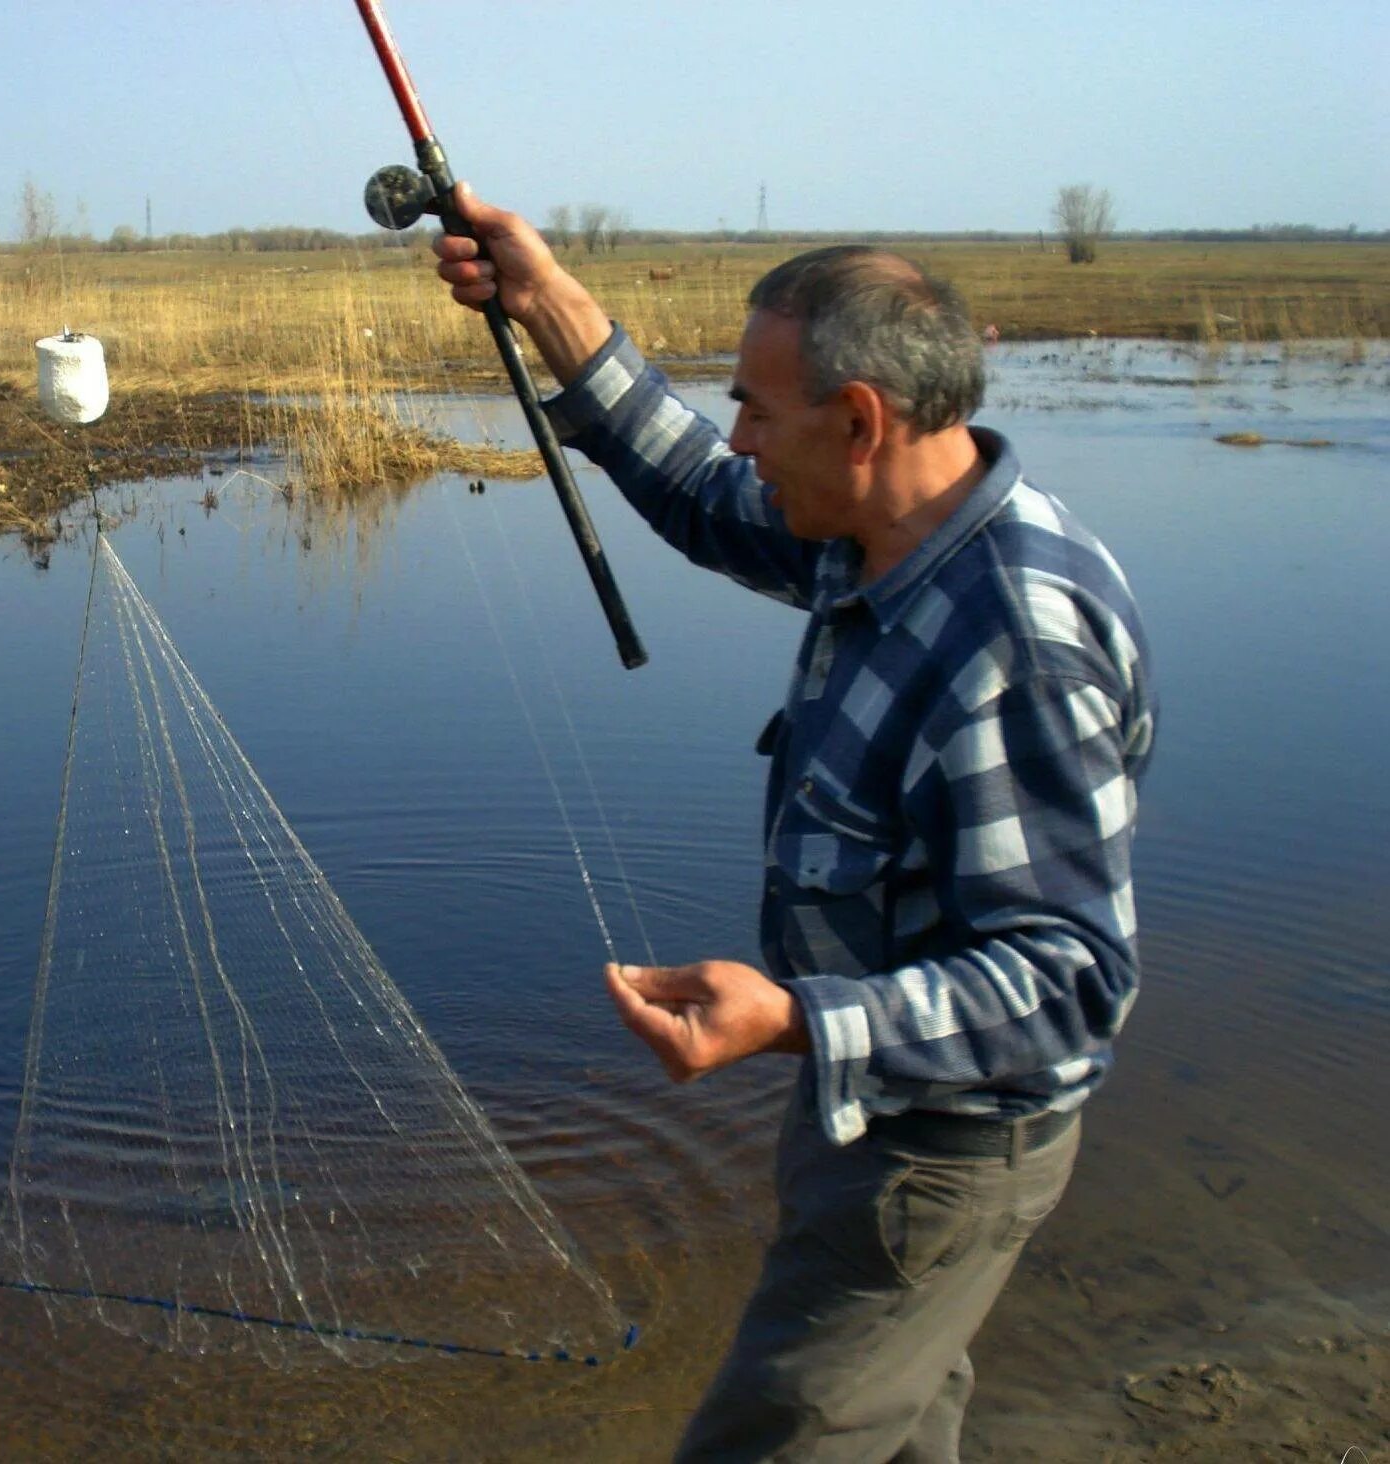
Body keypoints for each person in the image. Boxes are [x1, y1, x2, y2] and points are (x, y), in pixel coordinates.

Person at [433, 187, 1155, 1463]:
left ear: (860, 421)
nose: (739, 434)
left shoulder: (1013, 646)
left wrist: (793, 1020)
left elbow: (1066, 984)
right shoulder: (880, 536)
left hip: (940, 1156)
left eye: (757, 409)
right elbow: (708, 496)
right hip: (881, 1125)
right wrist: (540, 298)